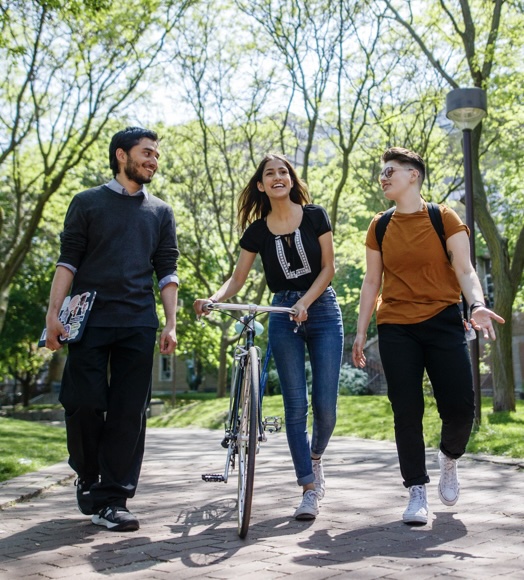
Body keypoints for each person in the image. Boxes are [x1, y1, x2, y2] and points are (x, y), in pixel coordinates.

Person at [352, 147, 505, 525]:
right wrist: (360, 330)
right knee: (406, 409)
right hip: (396, 326)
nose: (383, 177)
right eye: (381, 173)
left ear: (413, 175)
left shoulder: (443, 218)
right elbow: (372, 281)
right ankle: (416, 490)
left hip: (442, 319)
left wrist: (477, 305)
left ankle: (449, 458)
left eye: (390, 171)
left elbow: (466, 269)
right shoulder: (380, 225)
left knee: (460, 408)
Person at [194, 153, 344, 520]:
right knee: (295, 407)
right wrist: (213, 298)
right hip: (281, 314)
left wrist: (306, 301)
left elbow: (329, 269)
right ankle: (308, 488)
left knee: (325, 407)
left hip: (322, 308)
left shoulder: (315, 216)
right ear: (261, 185)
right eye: (269, 174)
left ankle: (315, 458)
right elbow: (238, 278)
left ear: (291, 180)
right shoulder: (257, 232)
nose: (278, 177)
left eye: (283, 172)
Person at [45, 127, 179, 532]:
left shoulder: (160, 211)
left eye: (156, 155)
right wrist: (52, 314)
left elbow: (167, 269)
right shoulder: (86, 203)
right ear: (122, 155)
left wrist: (171, 323)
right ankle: (87, 473)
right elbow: (68, 261)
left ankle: (114, 498)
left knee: (128, 412)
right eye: (146, 153)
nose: (153, 160)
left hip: (139, 320)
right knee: (83, 401)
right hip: (87, 321)